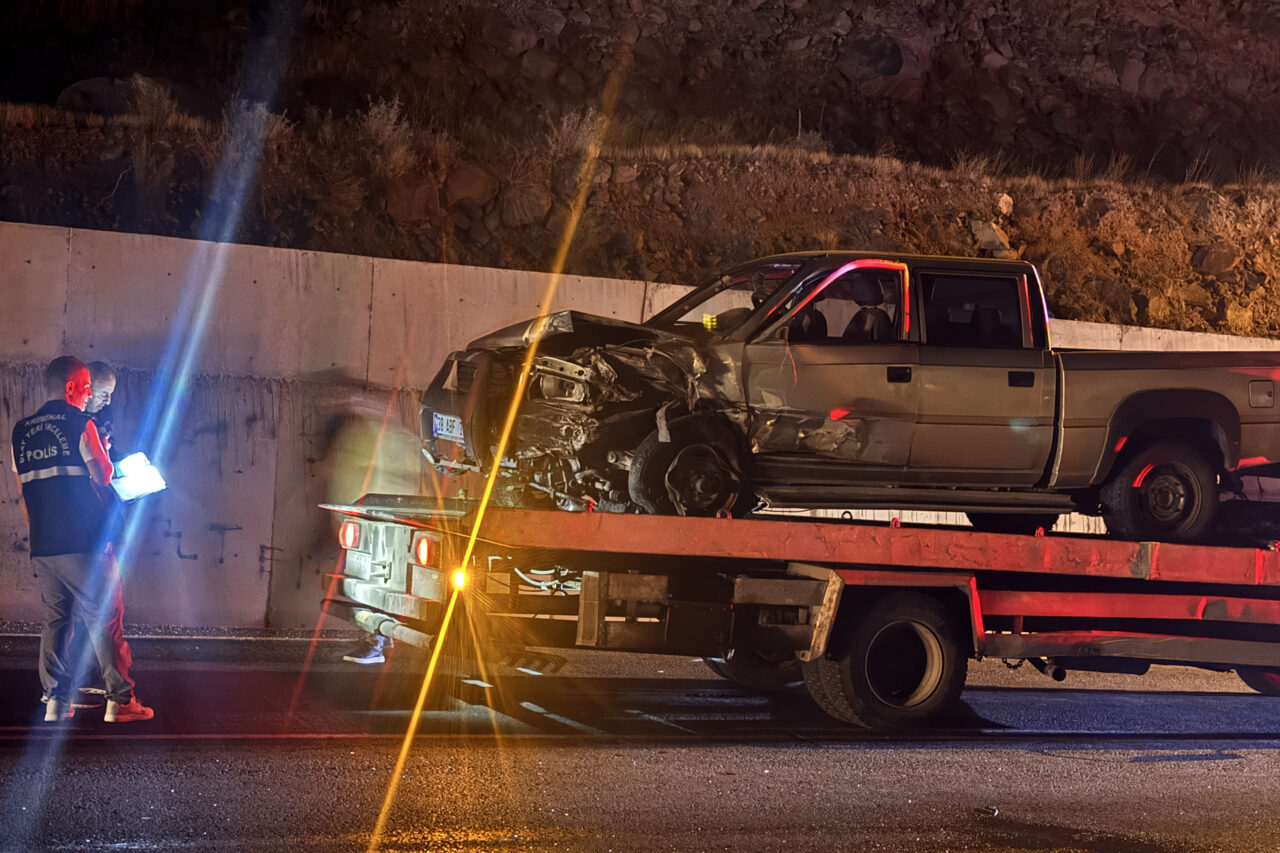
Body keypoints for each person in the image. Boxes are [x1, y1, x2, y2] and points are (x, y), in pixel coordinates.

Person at [10, 356, 153, 723]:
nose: (91, 394)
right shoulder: (81, 423)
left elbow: (23, 493)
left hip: (44, 545)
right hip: (84, 543)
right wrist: (101, 448)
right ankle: (121, 702)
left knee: (56, 620)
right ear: (71, 386)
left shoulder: (21, 431)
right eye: (87, 386)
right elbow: (104, 477)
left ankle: (56, 701)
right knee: (105, 616)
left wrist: (39, 537)